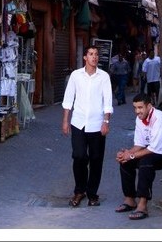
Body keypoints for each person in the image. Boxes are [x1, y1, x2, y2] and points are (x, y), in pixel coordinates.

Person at [115, 92, 162, 220]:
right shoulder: (140, 119)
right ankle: (129, 199)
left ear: (149, 106)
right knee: (125, 161)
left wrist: (132, 156)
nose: (137, 111)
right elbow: (139, 144)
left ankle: (142, 205)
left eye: (140, 107)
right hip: (156, 150)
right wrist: (127, 154)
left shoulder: (159, 118)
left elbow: (154, 149)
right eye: (135, 108)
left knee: (145, 161)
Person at [61, 45, 113, 208]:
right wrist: (65, 121)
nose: (94, 57)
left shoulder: (103, 77)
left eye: (96, 54)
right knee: (79, 156)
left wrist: (106, 122)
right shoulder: (76, 76)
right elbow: (69, 98)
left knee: (96, 159)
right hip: (78, 123)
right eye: (91, 54)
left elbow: (108, 101)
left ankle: (92, 194)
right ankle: (79, 190)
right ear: (85, 57)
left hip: (97, 124)